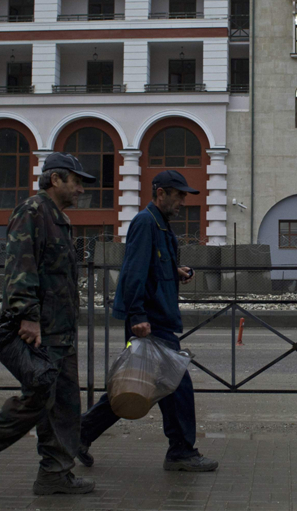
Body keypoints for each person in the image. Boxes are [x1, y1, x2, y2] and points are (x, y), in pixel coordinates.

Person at [0, 153, 97, 496]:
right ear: (54, 179)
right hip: (40, 330)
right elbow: (20, 267)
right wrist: (27, 315)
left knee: (65, 405)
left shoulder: (58, 218)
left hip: (60, 330)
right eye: (75, 180)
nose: (80, 187)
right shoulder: (32, 211)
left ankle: (55, 473)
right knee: (38, 401)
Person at [78, 170, 219, 473]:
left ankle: (79, 435)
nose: (183, 201)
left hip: (158, 318)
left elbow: (152, 265)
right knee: (174, 384)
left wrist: (176, 270)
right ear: (160, 193)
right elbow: (133, 272)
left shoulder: (162, 225)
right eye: (179, 194)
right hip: (150, 321)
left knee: (139, 385)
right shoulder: (146, 222)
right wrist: (138, 316)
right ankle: (181, 451)